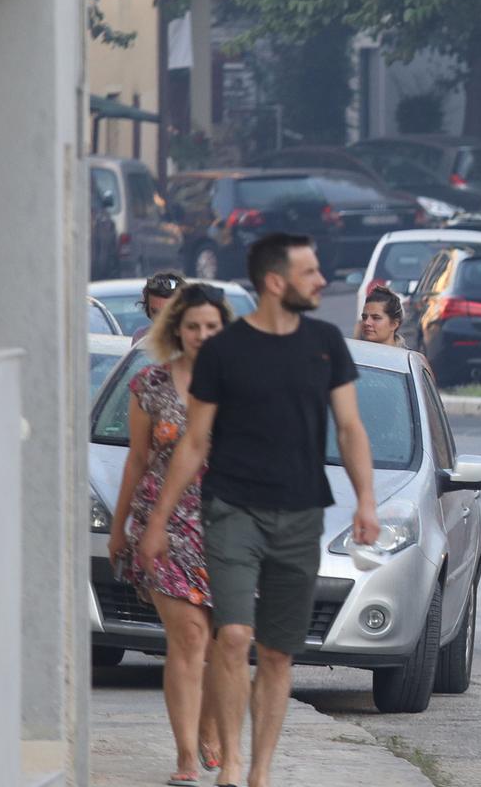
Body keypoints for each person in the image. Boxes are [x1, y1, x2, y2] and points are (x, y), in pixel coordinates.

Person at [139, 233, 380, 787]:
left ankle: (260, 772)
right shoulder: (224, 350)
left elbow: (349, 428)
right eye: (310, 272)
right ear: (276, 282)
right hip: (232, 510)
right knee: (232, 636)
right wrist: (157, 521)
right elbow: (195, 441)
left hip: (300, 514)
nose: (322, 281)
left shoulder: (325, 343)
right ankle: (230, 764)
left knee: (276, 652)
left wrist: (366, 499)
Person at [109, 283, 233, 785]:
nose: (202, 334)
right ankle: (185, 755)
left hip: (228, 525)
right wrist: (120, 528)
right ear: (176, 329)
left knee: (224, 642)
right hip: (164, 525)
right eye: (192, 326)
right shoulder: (150, 385)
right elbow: (137, 461)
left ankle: (210, 727)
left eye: (211, 326)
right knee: (189, 637)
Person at [134, 271, 186, 342]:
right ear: (148, 310)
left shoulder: (195, 338)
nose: (160, 319)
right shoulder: (141, 338)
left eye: (167, 312)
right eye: (155, 312)